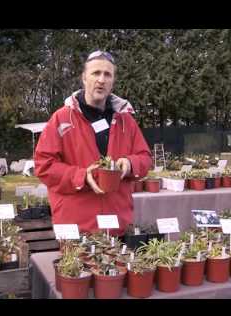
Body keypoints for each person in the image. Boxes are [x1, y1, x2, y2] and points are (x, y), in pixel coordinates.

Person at [34, 50, 152, 236]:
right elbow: (43, 166)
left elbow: (145, 158)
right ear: (84, 78)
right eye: (96, 73)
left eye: (107, 74)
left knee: (118, 265)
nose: (101, 79)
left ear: (113, 81)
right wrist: (81, 176)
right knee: (77, 266)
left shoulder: (125, 120)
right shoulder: (62, 118)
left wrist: (130, 164)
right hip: (76, 224)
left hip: (117, 224)